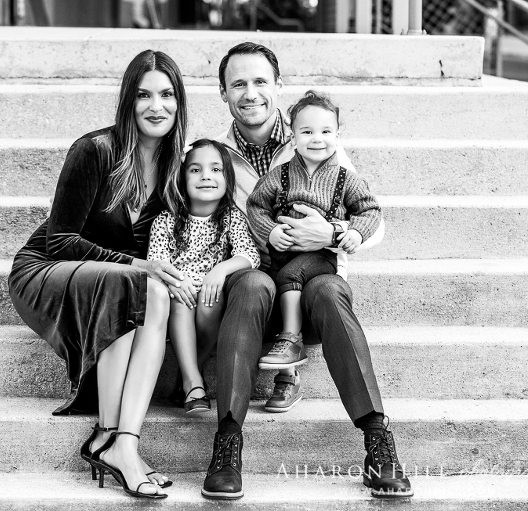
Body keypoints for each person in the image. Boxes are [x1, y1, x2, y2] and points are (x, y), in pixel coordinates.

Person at [197, 42, 413, 500]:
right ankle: (227, 444)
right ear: (223, 92)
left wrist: (331, 233)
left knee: (330, 291)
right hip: (253, 290)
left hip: (314, 286)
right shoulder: (214, 155)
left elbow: (373, 222)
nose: (251, 93)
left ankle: (378, 442)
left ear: (278, 86)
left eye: (260, 81)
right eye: (239, 83)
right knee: (251, 284)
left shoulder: (318, 139)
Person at [8, 49, 188, 500]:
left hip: (116, 283)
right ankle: (108, 434)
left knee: (153, 293)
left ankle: (122, 442)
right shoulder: (95, 150)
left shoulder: (176, 167)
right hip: (46, 271)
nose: (156, 106)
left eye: (166, 95)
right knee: (130, 283)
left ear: (179, 102)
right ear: (128, 101)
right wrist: (138, 265)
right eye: (143, 95)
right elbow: (59, 240)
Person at [247, 90, 382, 413]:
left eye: (325, 131)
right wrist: (271, 231)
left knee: (291, 274)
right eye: (307, 132)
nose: (317, 139)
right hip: (281, 254)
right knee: (276, 277)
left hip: (322, 258)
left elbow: (370, 210)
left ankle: (291, 339)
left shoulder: (345, 178)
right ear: (292, 136)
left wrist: (352, 233)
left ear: (338, 135)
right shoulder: (280, 175)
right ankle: (286, 372)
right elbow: (256, 206)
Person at [147, 139, 260, 414]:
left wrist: (220, 270)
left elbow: (250, 255)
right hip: (178, 291)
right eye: (195, 170)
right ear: (182, 178)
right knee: (181, 300)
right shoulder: (166, 219)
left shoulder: (232, 217)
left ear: (227, 178)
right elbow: (156, 260)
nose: (206, 176)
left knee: (212, 298)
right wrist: (177, 280)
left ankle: (189, 375)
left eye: (215, 169)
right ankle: (194, 383)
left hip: (211, 294)